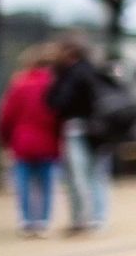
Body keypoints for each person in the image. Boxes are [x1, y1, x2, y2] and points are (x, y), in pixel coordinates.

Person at [46, 34, 114, 234]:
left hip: (77, 129)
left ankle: (81, 218)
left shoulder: (72, 74)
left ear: (70, 52)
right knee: (97, 175)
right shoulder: (96, 71)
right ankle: (98, 217)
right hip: (101, 131)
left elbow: (57, 102)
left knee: (77, 177)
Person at [0, 44, 61, 237]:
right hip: (48, 142)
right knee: (46, 184)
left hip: (22, 141)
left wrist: (6, 140)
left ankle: (26, 220)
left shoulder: (20, 84)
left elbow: (6, 116)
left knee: (23, 184)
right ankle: (43, 221)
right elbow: (59, 116)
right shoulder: (54, 86)